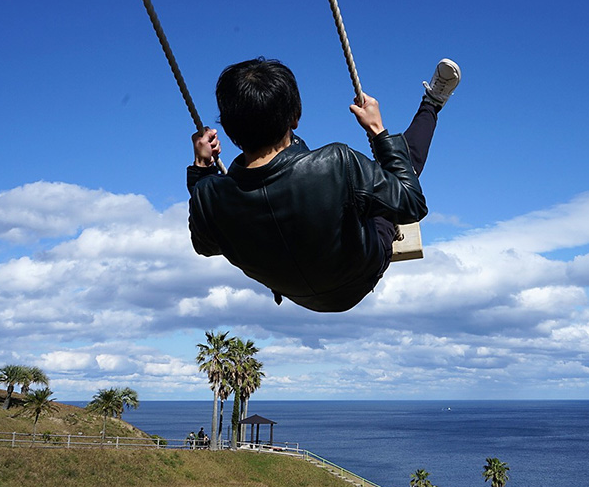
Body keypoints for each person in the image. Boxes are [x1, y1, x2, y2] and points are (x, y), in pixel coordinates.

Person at [187, 57, 461, 312]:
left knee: (361, 188)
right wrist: (378, 132)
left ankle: (430, 105)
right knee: (400, 170)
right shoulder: (336, 163)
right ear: (296, 116)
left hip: (300, 295)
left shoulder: (209, 195)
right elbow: (412, 204)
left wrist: (201, 169)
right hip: (360, 275)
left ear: (226, 126)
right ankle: (432, 102)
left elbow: (205, 244)